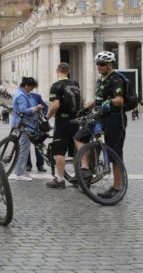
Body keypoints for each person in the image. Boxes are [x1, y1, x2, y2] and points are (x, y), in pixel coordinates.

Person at [74, 51, 127, 199]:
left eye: (102, 64)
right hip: (99, 117)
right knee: (79, 137)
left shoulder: (116, 79)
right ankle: (85, 167)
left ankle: (117, 187)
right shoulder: (100, 80)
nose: (99, 66)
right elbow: (97, 99)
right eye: (97, 63)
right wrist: (85, 108)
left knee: (114, 154)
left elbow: (120, 100)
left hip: (114, 119)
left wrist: (109, 103)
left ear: (110, 65)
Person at [45, 63, 81, 189]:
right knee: (76, 150)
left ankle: (60, 179)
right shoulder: (75, 83)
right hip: (76, 121)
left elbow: (55, 106)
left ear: (57, 71)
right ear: (68, 71)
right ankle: (80, 178)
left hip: (63, 122)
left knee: (59, 151)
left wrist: (46, 118)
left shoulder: (56, 86)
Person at [11, 77, 43, 181]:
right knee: (23, 149)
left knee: (23, 148)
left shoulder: (23, 93)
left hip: (26, 124)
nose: (32, 90)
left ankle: (22, 170)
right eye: (31, 87)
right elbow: (23, 110)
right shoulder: (21, 95)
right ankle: (20, 173)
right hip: (24, 125)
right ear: (26, 86)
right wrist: (36, 108)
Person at [26, 91, 48, 173]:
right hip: (26, 124)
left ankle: (40, 165)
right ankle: (28, 165)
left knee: (38, 145)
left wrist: (44, 116)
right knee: (26, 146)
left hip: (36, 124)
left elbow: (45, 107)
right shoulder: (20, 96)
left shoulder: (36, 96)